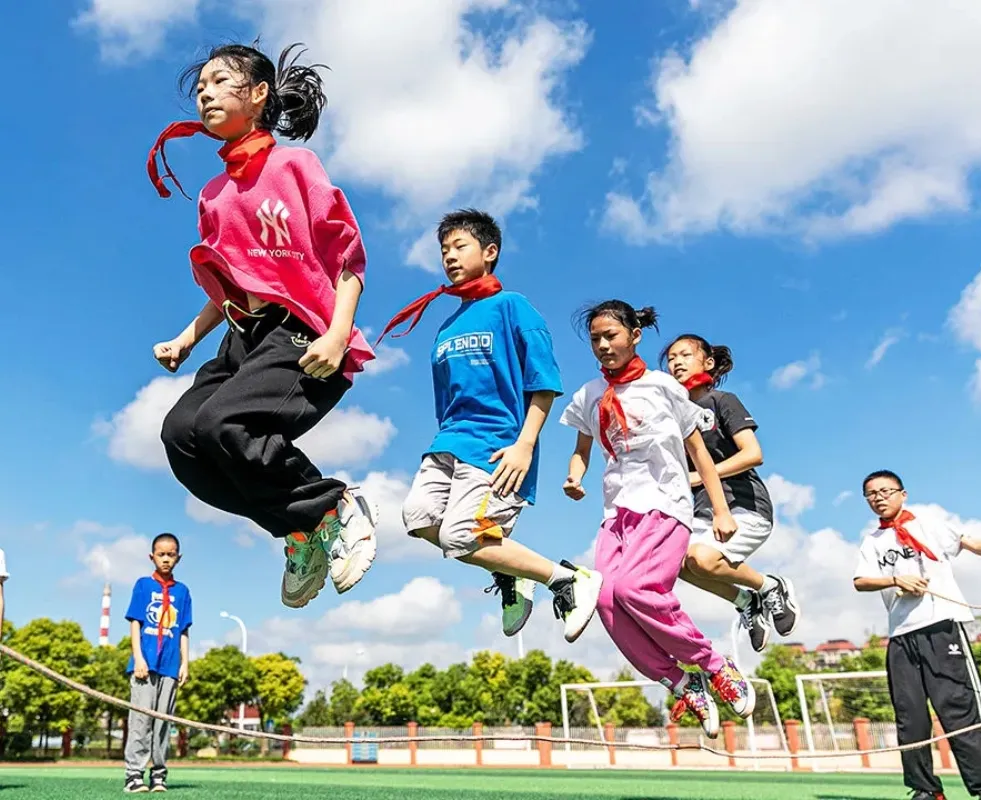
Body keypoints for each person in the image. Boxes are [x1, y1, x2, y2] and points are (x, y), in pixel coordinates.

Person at [147, 42, 378, 609]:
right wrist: (186, 338)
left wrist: (337, 332)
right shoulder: (213, 194)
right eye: (199, 84)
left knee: (228, 424)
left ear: (257, 95)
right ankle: (299, 533)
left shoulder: (294, 166)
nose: (203, 92)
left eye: (219, 81)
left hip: (302, 330)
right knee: (183, 437)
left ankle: (333, 507)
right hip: (241, 335)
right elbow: (233, 282)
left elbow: (349, 258)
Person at [379, 209, 602, 643]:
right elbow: (446, 399)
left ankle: (568, 580)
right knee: (418, 516)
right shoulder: (445, 326)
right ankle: (512, 575)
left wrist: (525, 446)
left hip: (498, 445)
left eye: (459, 246)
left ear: (490, 251)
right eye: (443, 250)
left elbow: (545, 384)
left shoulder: (513, 307)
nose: (449, 257)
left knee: (462, 536)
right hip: (449, 441)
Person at [560, 301, 755, 739]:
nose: (604, 345)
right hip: (616, 512)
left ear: (635, 335)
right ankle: (683, 682)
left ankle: (715, 664)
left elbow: (699, 453)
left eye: (612, 335)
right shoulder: (589, 394)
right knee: (606, 601)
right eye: (595, 339)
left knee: (636, 589)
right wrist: (574, 477)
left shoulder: (665, 387)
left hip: (665, 503)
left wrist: (721, 510)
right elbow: (582, 450)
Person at [854, 470, 981, 800]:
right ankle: (925, 790)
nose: (878, 498)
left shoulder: (929, 522)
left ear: (902, 493)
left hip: (941, 627)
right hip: (901, 636)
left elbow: (972, 542)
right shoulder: (872, 542)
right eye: (871, 494)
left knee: (958, 709)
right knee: (910, 715)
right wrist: (896, 580)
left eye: (885, 491)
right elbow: (861, 580)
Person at [663, 335, 798, 652]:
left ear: (707, 363)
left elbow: (753, 454)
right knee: (677, 565)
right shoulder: (672, 417)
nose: (677, 362)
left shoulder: (722, 401)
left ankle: (770, 586)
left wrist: (701, 475)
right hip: (700, 511)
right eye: (671, 358)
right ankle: (746, 600)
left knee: (701, 558)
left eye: (685, 354)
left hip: (744, 505)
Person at [124, 534, 192, 794]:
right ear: (151, 556)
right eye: (161, 554)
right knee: (140, 721)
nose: (166, 559)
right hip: (145, 664)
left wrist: (185, 663)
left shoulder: (183, 592)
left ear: (178, 557)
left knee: (163, 723)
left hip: (170, 666)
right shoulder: (143, 586)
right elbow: (135, 623)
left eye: (171, 554)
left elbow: (184, 630)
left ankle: (159, 775)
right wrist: (139, 657)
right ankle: (134, 775)